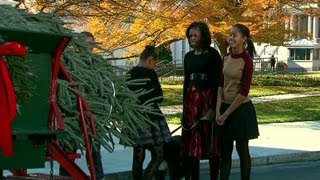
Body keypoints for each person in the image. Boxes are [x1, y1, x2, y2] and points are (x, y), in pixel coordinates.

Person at [215, 24, 260, 180]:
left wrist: (226, 114)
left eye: (235, 35)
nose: (231, 38)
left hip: (241, 111)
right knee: (225, 154)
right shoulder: (226, 57)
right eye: (230, 34)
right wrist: (218, 110)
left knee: (242, 151)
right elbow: (220, 85)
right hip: (224, 110)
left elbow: (243, 92)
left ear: (243, 39)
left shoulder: (247, 60)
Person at [59, 31, 105, 180]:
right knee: (69, 151)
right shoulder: (70, 63)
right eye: (86, 44)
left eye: (91, 44)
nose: (89, 47)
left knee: (95, 152)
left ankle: (98, 177)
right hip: (73, 114)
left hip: (93, 114)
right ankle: (65, 177)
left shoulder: (98, 64)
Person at [180, 21, 222, 180]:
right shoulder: (188, 56)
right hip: (191, 104)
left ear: (203, 36)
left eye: (195, 35)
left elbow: (218, 82)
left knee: (211, 144)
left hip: (207, 101)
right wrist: (185, 108)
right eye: (190, 36)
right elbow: (186, 82)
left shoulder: (212, 54)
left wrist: (213, 109)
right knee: (192, 147)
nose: (192, 38)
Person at [126, 45, 171, 180]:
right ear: (150, 60)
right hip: (152, 118)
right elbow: (159, 96)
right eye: (155, 64)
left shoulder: (130, 73)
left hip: (135, 118)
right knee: (158, 155)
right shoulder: (150, 74)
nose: (154, 67)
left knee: (138, 154)